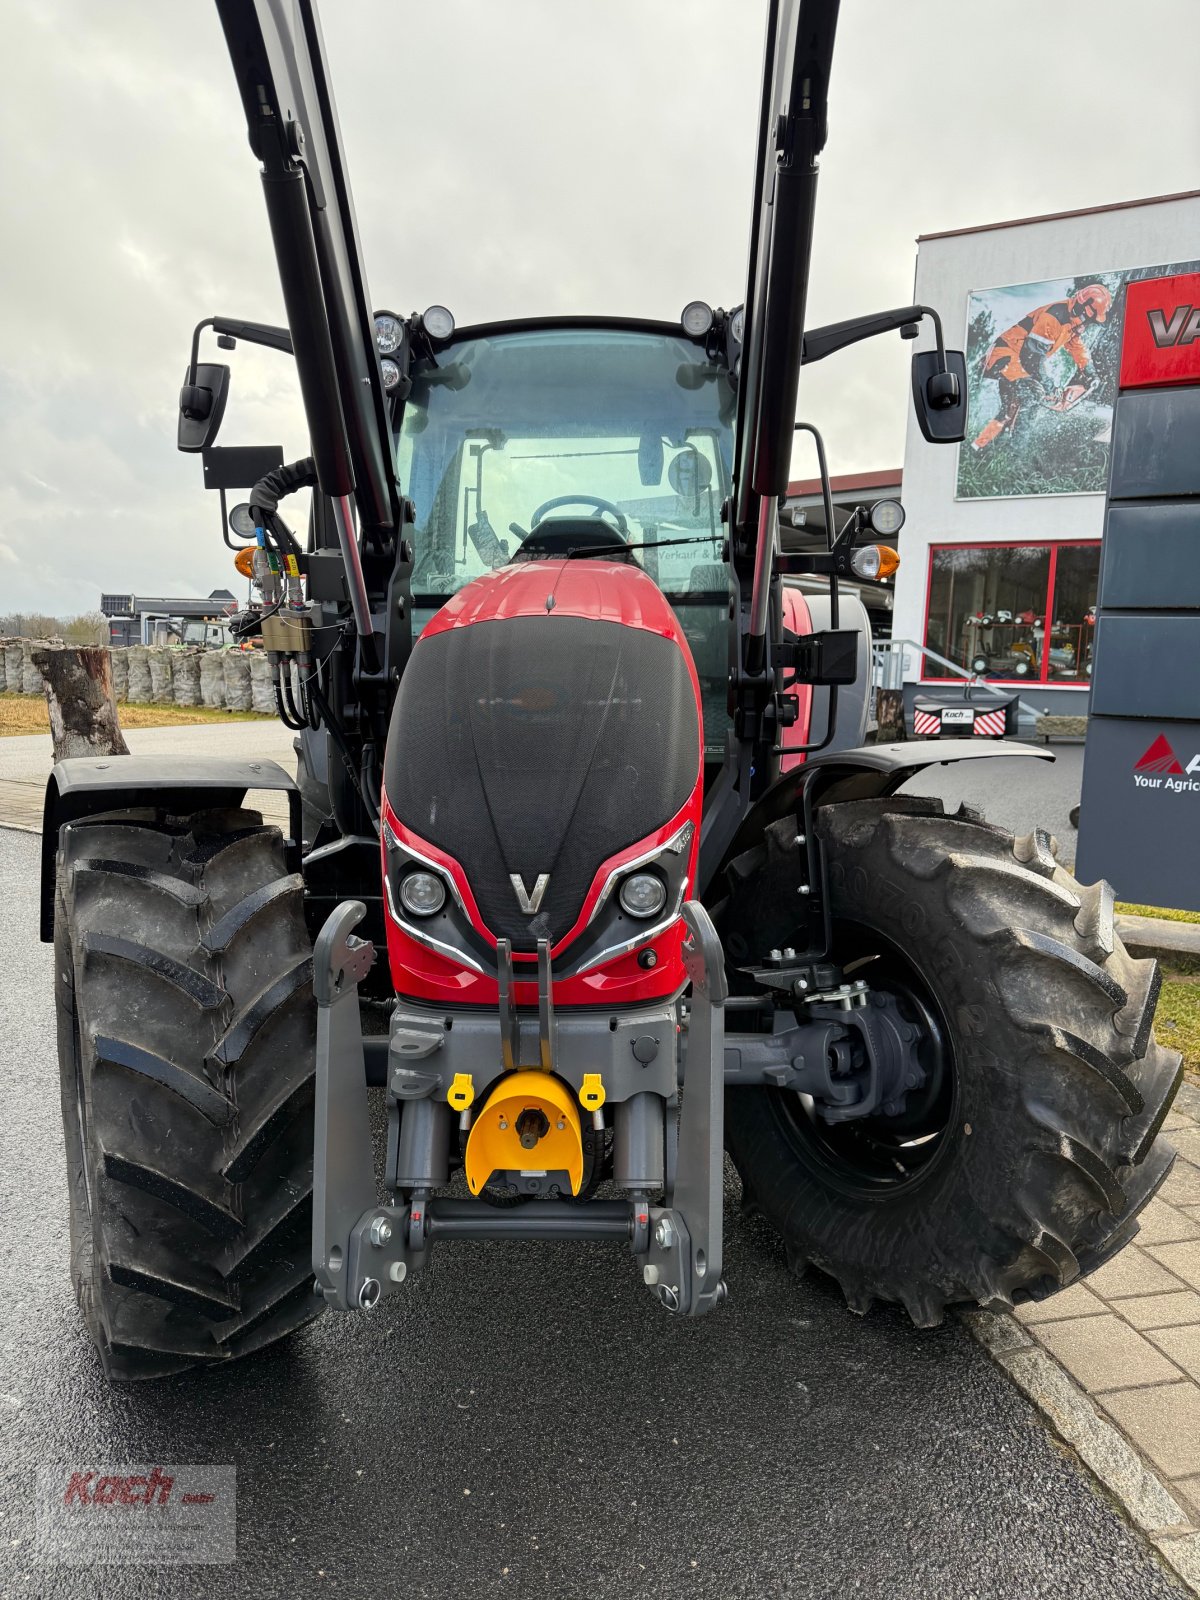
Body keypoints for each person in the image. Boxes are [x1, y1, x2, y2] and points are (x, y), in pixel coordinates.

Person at [971, 283, 1111, 451]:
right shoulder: (1054, 317)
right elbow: (1032, 357)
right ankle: (1014, 454)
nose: (1087, 324)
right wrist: (1048, 386)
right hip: (1005, 356)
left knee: (1012, 407)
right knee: (1033, 396)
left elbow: (1077, 347)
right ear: (1081, 307)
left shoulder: (1072, 323)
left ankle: (979, 447)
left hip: (1017, 360)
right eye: (1088, 319)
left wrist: (1089, 372)